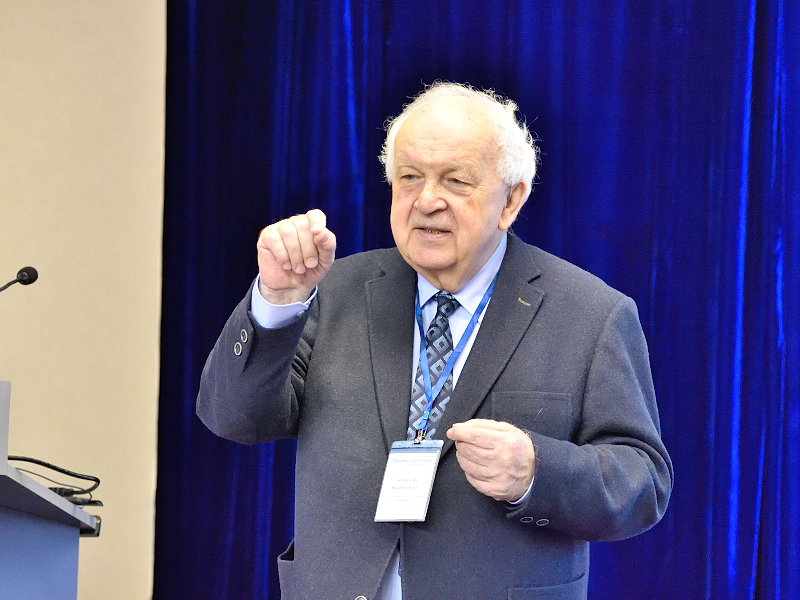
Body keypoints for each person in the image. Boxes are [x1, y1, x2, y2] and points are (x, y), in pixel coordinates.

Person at [197, 82, 673, 600]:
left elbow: (643, 481)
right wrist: (276, 301)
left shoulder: (591, 314)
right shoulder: (334, 291)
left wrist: (536, 471)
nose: (427, 201)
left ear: (511, 200)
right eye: (409, 178)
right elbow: (234, 418)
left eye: (456, 180)